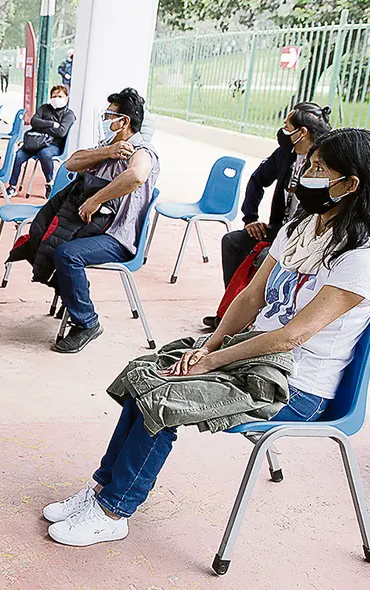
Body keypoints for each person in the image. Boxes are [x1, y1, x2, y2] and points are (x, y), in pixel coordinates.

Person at [44, 128, 370, 547]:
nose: (303, 172)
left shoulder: (360, 257)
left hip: (295, 385)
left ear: (349, 184)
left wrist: (212, 361)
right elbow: (251, 296)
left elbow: (293, 335)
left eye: (318, 168)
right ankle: (103, 490)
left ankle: (114, 510)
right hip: (247, 356)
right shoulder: (300, 229)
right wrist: (209, 345)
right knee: (147, 372)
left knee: (165, 397)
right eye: (307, 163)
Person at [202, 102, 333, 328]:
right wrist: (250, 218)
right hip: (278, 231)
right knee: (232, 242)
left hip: (302, 239)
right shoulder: (286, 154)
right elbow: (257, 180)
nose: (282, 132)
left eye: (287, 127)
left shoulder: (324, 163)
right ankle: (234, 310)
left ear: (302, 132)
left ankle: (258, 318)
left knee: (265, 260)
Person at [53, 87, 160, 353]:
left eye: (108, 115)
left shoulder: (142, 151)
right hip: (96, 227)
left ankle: (87, 322)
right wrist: (107, 152)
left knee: (68, 255)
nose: (104, 119)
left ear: (123, 121)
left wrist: (96, 199)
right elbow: (72, 163)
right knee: (48, 239)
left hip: (117, 237)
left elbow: (136, 176)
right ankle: (71, 298)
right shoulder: (110, 147)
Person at [6, 85, 76, 197]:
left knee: (44, 154)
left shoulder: (69, 114)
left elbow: (61, 132)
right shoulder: (44, 108)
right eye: (54, 96)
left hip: (53, 145)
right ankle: (12, 186)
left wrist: (41, 125)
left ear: (66, 98)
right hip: (34, 143)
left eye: (60, 96)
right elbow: (34, 121)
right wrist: (51, 124)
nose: (57, 98)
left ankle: (49, 183)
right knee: (19, 155)